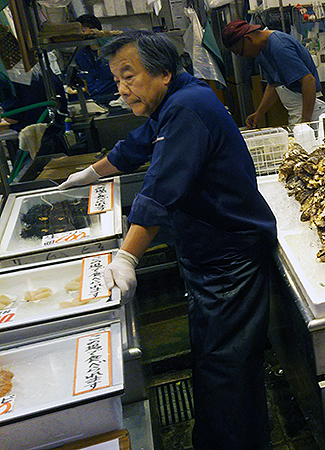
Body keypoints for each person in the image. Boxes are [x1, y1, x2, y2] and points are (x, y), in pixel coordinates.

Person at [58, 31, 276, 450]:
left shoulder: (188, 107)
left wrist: (127, 257)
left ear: (163, 73)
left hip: (230, 259)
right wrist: (89, 175)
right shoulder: (175, 100)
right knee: (215, 359)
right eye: (116, 79)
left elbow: (161, 187)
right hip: (208, 253)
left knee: (225, 367)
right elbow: (135, 146)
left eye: (129, 76)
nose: (122, 89)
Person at [221, 20, 325, 127]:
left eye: (240, 52)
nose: (243, 57)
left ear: (248, 39)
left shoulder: (280, 47)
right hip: (298, 111)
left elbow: (309, 81)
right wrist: (259, 113)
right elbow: (273, 85)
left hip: (311, 110)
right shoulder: (261, 51)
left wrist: (306, 122)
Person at [73, 14, 117, 104]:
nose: (80, 34)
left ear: (95, 30)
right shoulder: (81, 55)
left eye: (83, 30)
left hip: (115, 96)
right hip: (93, 98)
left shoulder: (110, 51)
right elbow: (85, 80)